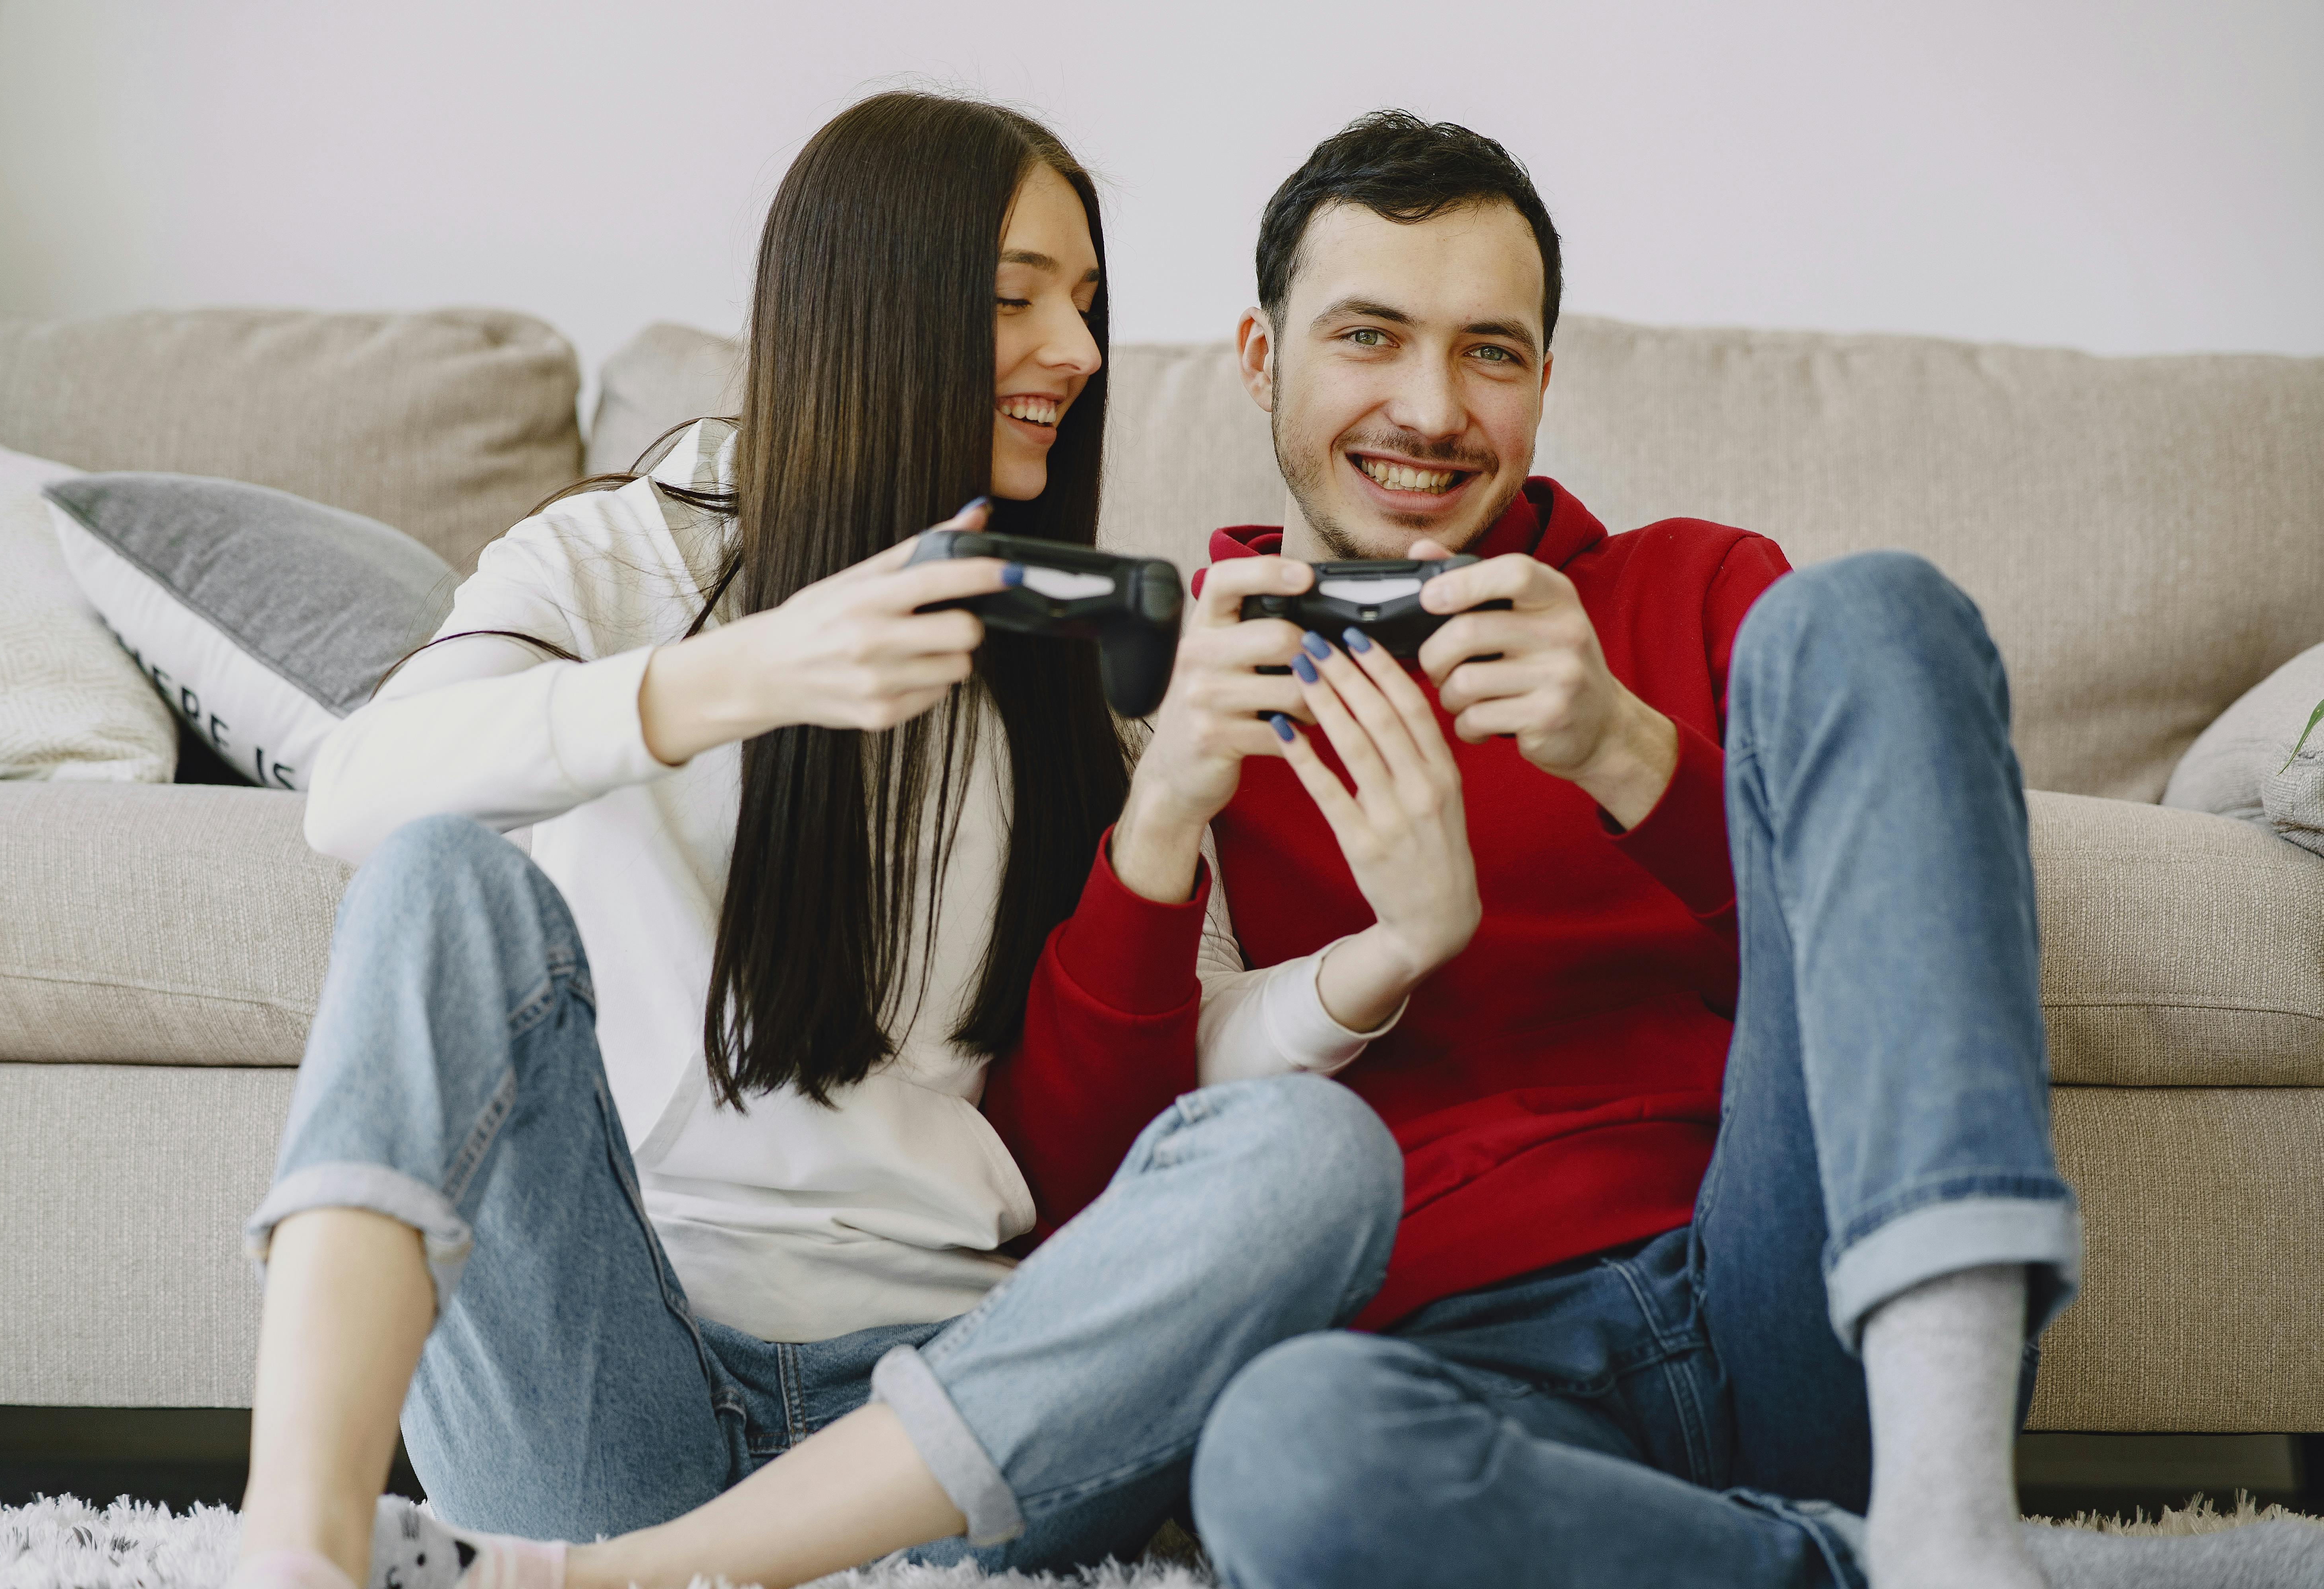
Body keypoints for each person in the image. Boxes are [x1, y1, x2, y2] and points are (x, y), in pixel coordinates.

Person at [1019, 113, 2322, 1587]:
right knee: (1281, 1453)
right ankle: (1876, 1569)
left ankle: (1950, 1506)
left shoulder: (1695, 592)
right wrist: (1167, 811)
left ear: (1545, 382)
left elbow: (1913, 945)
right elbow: (1079, 1216)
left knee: (1874, 610)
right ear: (1261, 358)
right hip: (1457, 1369)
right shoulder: (1179, 680)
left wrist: (1626, 754)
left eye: (1490, 353)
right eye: (1369, 337)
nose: (1432, 410)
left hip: (1787, 1285)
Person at [223, 92, 1401, 1589]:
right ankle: (296, 1551)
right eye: (1018, 301)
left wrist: (1380, 961)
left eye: (1089, 305)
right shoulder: (625, 559)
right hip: (612, 1395)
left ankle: (622, 1586)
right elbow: (359, 795)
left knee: (1313, 1157)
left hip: (945, 1427)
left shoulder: (1068, 660)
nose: (1083, 355)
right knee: (434, 878)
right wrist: (744, 675)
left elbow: (1189, 1042)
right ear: (872, 307)